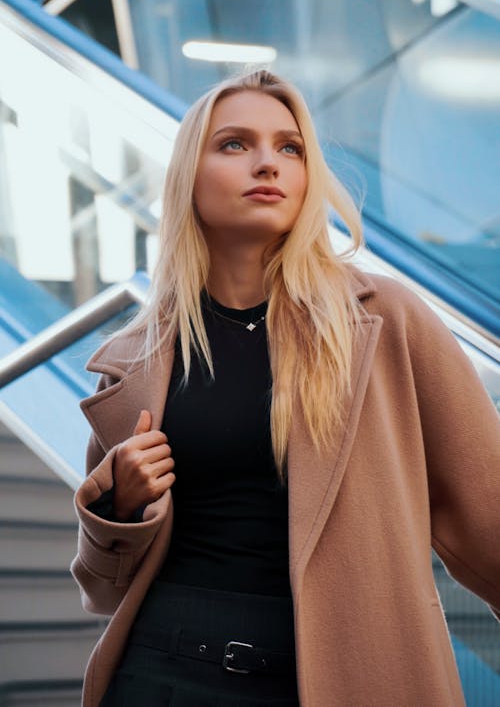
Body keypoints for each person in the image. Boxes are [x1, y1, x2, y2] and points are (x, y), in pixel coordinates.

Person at [71, 69, 500, 707]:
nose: (268, 163)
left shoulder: (384, 321)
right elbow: (103, 592)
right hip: (162, 670)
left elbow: (490, 509)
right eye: (235, 144)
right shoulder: (141, 357)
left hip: (349, 673)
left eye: (290, 148)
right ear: (190, 173)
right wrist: (120, 507)